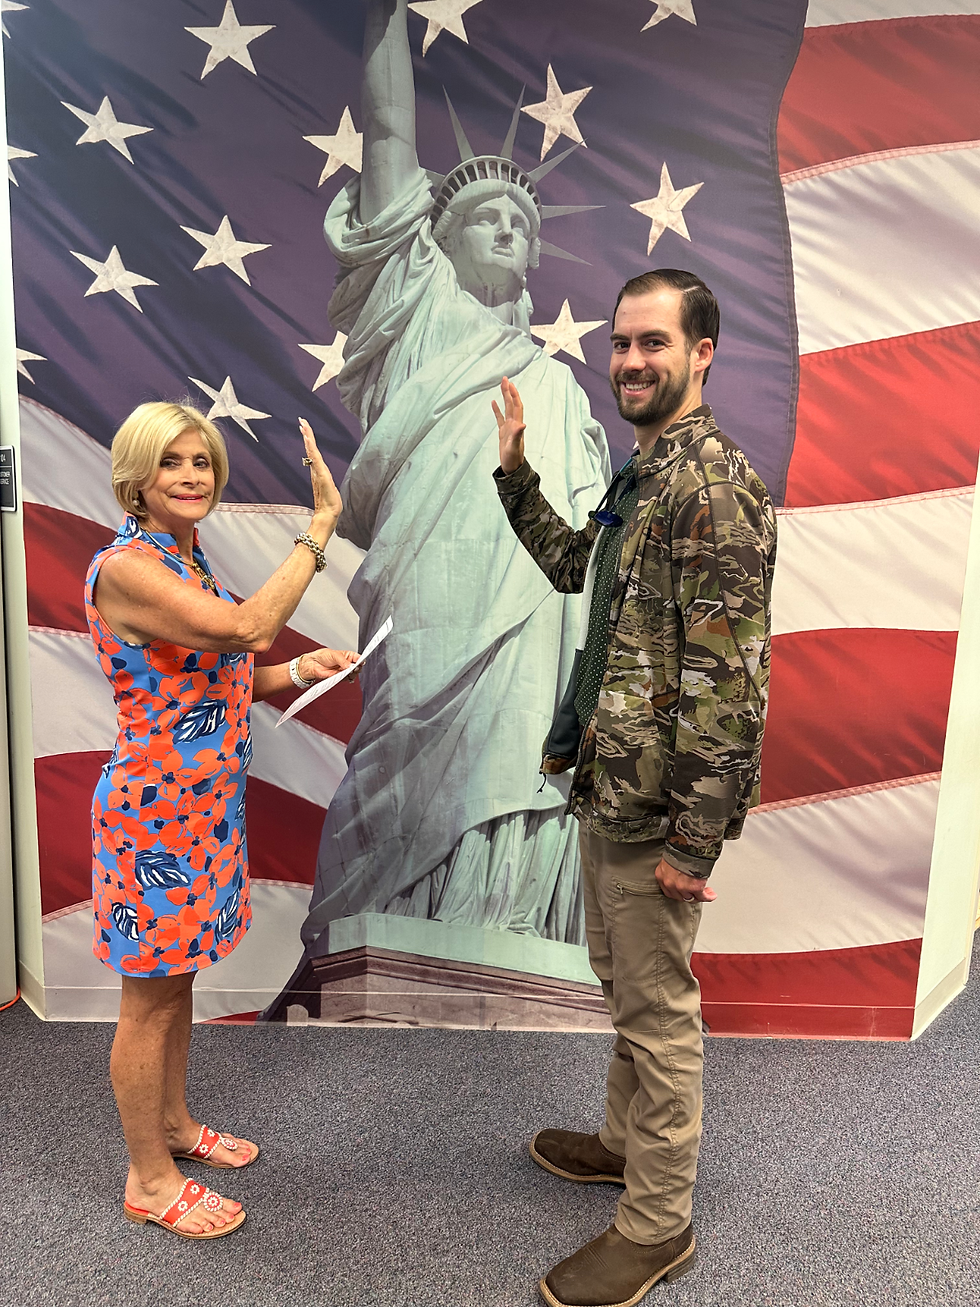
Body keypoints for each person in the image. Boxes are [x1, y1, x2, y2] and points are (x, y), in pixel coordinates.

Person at [296, 0, 609, 957]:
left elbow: (587, 538)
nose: (504, 230)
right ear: (441, 237)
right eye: (483, 218)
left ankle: (503, 911)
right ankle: (392, 906)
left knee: (525, 732)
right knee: (406, 725)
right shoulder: (417, 307)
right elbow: (390, 133)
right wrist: (382, 18)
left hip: (536, 596)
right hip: (433, 571)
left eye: (519, 222)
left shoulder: (562, 386)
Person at [492, 270, 777, 1306]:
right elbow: (579, 568)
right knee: (622, 981)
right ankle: (622, 1144)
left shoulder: (713, 489)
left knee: (658, 1013)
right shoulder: (646, 473)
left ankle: (657, 1224)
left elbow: (730, 685)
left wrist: (693, 843)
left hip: (658, 806)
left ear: (702, 351)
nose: (629, 361)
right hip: (610, 781)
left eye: (652, 342)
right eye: (620, 343)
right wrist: (516, 476)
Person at [86, 401, 356, 1238]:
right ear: (136, 479)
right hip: (153, 820)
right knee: (148, 1002)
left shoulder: (187, 560)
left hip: (204, 816)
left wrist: (296, 670)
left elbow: (218, 679)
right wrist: (321, 524)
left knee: (178, 985)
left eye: (200, 460)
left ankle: (173, 1126)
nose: (190, 475)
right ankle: (149, 1178)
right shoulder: (127, 568)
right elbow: (247, 628)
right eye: (170, 461)